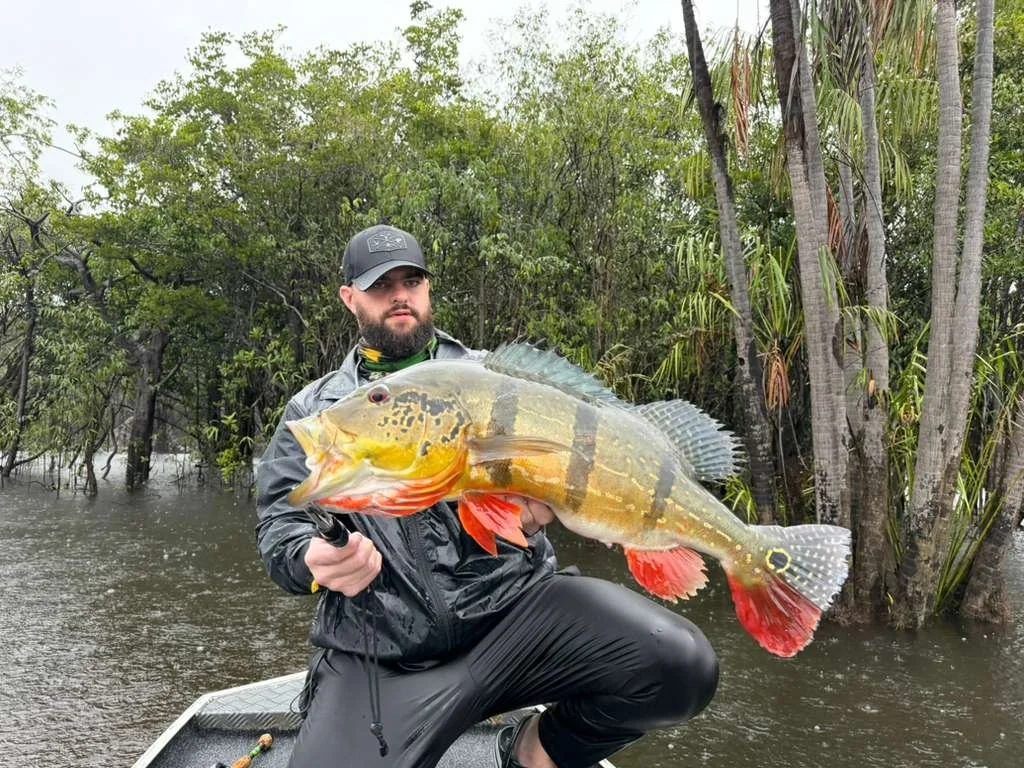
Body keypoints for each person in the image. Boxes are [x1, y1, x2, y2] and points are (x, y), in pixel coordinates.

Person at [255, 223, 719, 768]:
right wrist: (313, 558)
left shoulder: (494, 377)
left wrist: (550, 504)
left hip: (516, 618)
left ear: (428, 290)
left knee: (680, 665)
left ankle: (530, 751)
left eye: (412, 281)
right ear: (349, 298)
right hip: (383, 648)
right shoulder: (318, 413)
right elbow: (280, 527)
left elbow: (582, 457)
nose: (400, 296)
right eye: (381, 286)